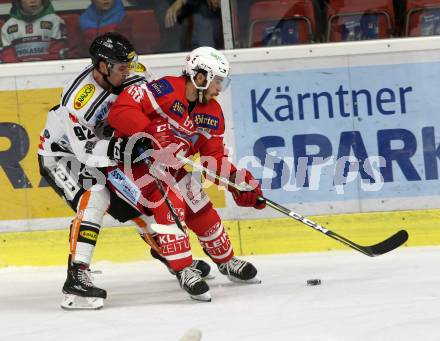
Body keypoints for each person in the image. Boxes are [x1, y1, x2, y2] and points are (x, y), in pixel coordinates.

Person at [38, 32, 209, 310]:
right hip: (62, 153)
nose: (128, 71)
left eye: (129, 65)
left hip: (111, 146)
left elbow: (158, 105)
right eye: (121, 68)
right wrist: (122, 147)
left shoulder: (136, 73)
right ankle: (76, 275)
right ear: (102, 67)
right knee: (96, 196)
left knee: (141, 201)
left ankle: (168, 253)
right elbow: (85, 151)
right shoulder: (78, 100)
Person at [107, 46, 266, 302]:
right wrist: (145, 136)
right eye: (216, 81)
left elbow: (213, 159)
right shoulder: (166, 89)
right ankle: (183, 269)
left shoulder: (212, 112)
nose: (218, 89)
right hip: (133, 166)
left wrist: (239, 183)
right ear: (199, 77)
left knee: (198, 202)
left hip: (169, 168)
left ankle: (225, 260)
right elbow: (121, 110)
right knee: (170, 202)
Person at [1, 0, 67, 63]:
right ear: (18, 1)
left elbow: (57, 51)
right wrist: (20, 70)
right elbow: (7, 55)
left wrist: (43, 68)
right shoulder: (8, 26)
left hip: (48, 70)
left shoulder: (55, 21)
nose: (33, 1)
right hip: (18, 72)